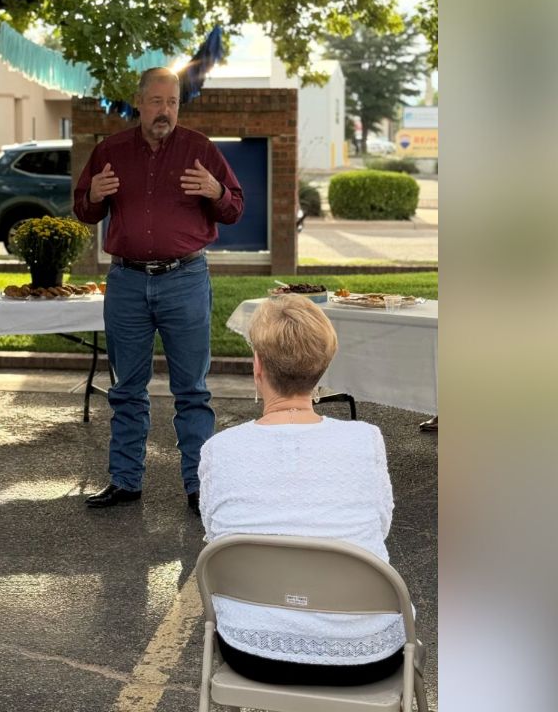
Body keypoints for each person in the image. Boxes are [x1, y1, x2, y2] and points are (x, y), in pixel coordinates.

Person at [199, 293, 405, 685]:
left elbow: (216, 537)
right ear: (323, 368)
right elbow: (377, 527)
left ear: (257, 366)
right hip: (366, 651)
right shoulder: (365, 440)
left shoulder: (219, 450)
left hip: (252, 650)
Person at [73, 67, 244, 514]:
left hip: (184, 280)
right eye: (156, 101)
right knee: (127, 388)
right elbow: (84, 212)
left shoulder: (200, 150)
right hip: (127, 282)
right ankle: (125, 481)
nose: (165, 110)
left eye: (172, 103)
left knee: (192, 390)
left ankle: (199, 486)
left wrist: (215, 190)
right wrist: (91, 194)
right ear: (139, 102)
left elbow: (234, 209)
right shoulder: (110, 151)